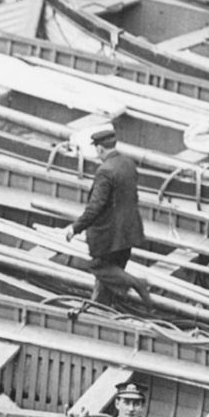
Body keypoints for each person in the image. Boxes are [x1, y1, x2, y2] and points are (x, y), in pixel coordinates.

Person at [65, 124, 155, 313]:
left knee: (98, 267)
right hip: (129, 231)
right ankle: (102, 309)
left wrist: (75, 228)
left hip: (110, 235)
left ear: (99, 148)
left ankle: (138, 283)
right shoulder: (128, 163)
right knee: (112, 274)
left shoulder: (105, 171)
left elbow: (95, 207)